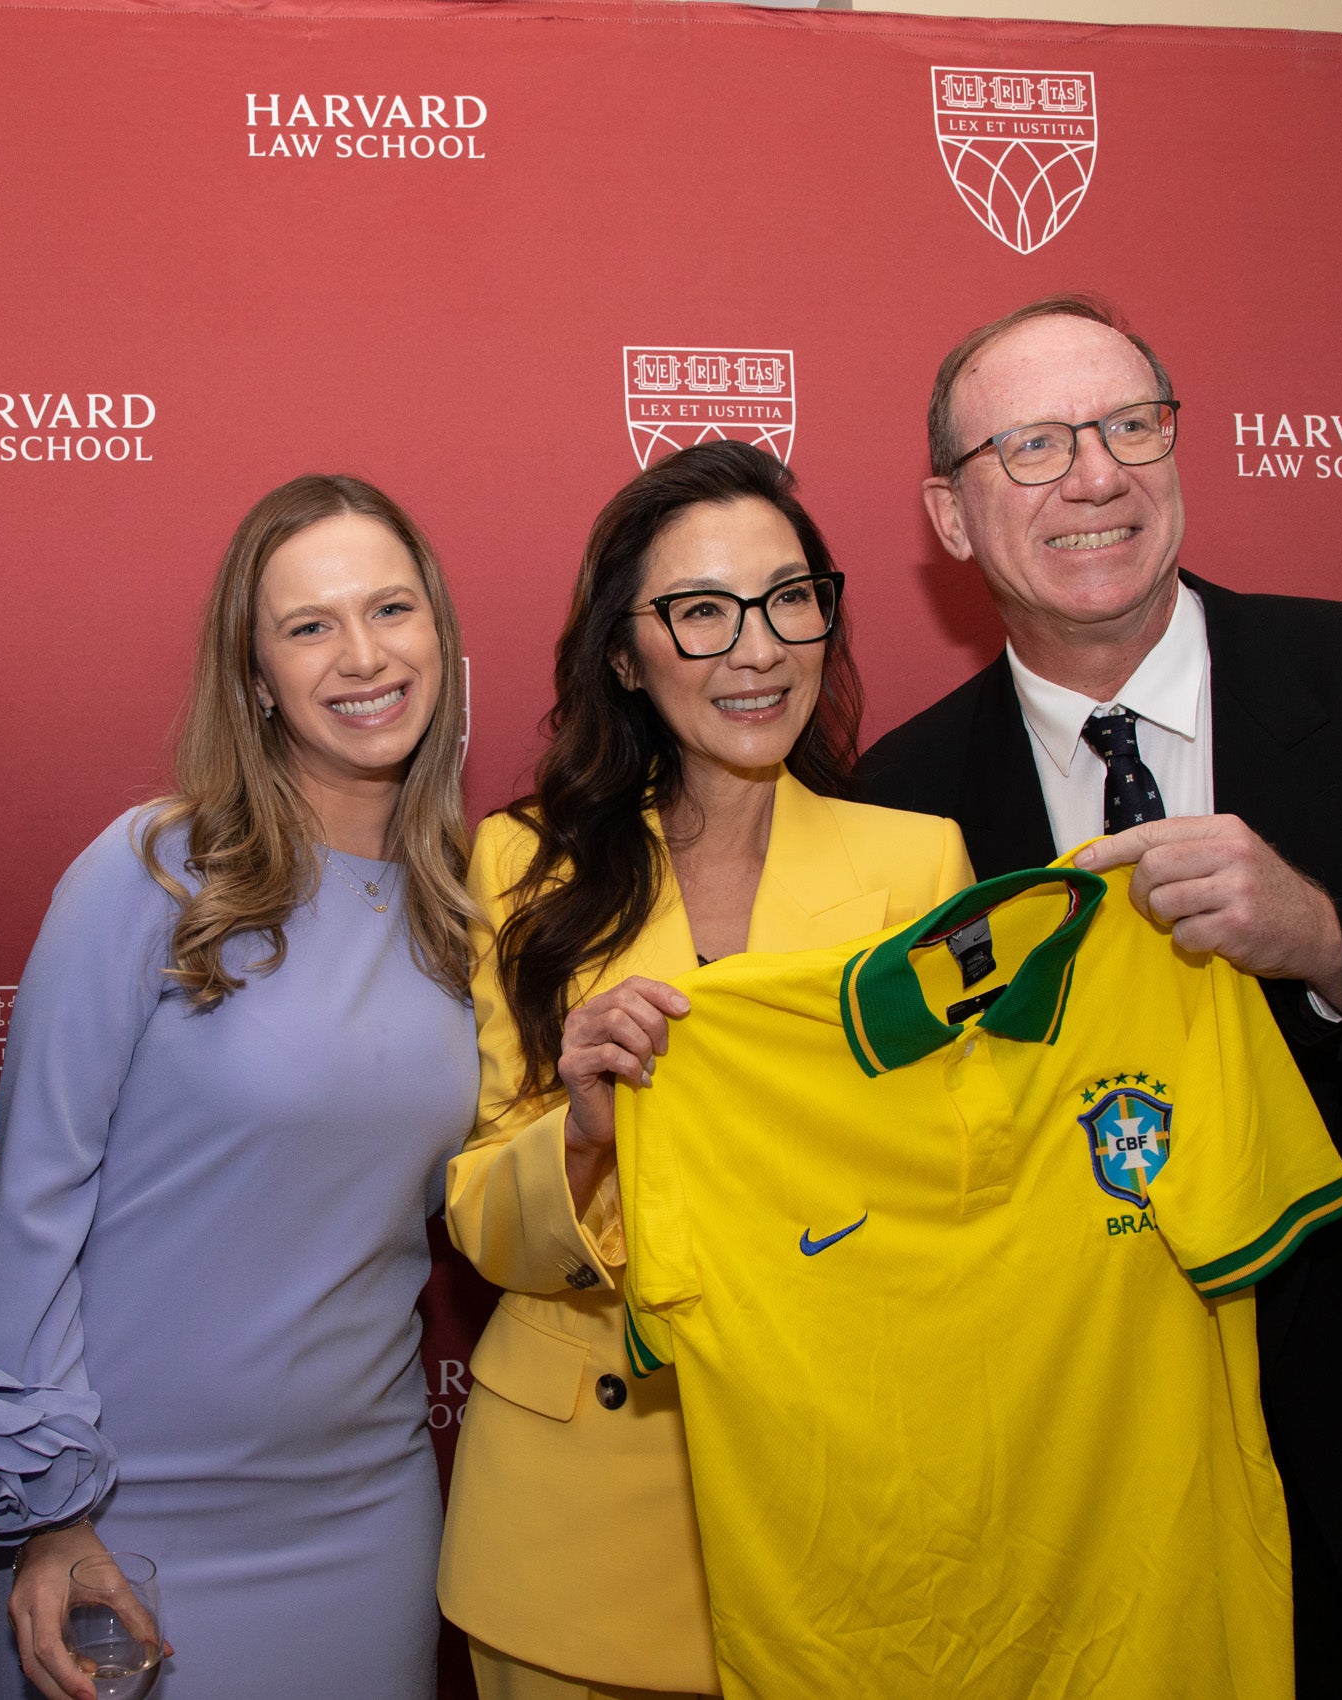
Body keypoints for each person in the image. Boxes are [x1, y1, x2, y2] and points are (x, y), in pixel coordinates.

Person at [855, 294, 1342, 1696]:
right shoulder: (894, 804)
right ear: (950, 518)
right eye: (1030, 447)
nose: (1094, 476)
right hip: (1070, 1496)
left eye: (1129, 425)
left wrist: (1328, 938)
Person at [0, 475, 480, 1700]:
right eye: (310, 624)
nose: (365, 655)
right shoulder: (156, 873)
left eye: (392, 609)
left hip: (366, 1514)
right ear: (256, 671)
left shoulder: (468, 912)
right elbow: (32, 1209)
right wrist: (52, 1517)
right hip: (126, 1522)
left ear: (440, 631)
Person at [438, 441, 973, 1700]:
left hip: (846, 1509)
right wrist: (578, 1128)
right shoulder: (523, 861)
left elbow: (962, 1187)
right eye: (701, 610)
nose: (759, 646)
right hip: (571, 1538)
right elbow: (480, 1216)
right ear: (624, 654)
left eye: (792, 597)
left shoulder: (919, 867)